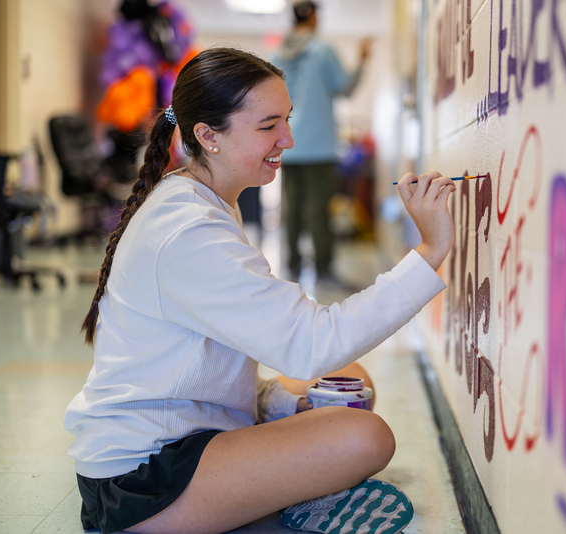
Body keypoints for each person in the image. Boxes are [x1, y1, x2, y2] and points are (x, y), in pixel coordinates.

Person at [63, 47, 456, 534]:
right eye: (269, 125)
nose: (288, 139)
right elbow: (310, 344)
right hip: (140, 481)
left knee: (349, 379)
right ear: (208, 137)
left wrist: (287, 405)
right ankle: (294, 499)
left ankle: (286, 490)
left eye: (286, 120)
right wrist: (431, 249)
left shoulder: (205, 200)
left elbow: (203, 365)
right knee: (364, 436)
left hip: (189, 432)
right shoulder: (187, 231)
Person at [271, 0, 370, 283]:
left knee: (291, 208)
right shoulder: (322, 51)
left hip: (286, 145)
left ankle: (291, 266)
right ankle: (324, 269)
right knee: (318, 209)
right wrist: (362, 61)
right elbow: (346, 88)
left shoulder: (276, 54)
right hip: (319, 145)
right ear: (313, 16)